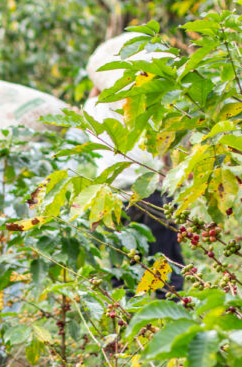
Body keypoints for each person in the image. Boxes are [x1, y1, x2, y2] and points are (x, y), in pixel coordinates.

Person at [84, 33, 185, 292]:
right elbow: (166, 149)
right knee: (166, 264)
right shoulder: (150, 105)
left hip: (113, 198)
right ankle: (172, 319)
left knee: (124, 269)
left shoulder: (91, 107)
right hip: (152, 192)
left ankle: (126, 323)